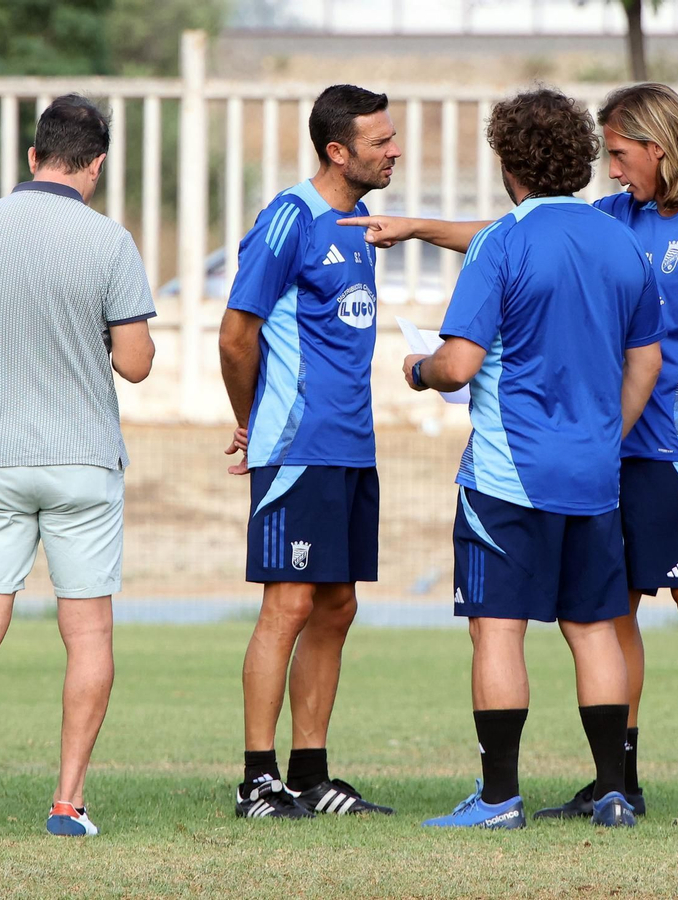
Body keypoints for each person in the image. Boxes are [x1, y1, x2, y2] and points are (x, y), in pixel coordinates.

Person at [341, 82, 678, 826]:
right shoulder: (613, 224)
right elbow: (517, 232)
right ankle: (617, 785)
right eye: (603, 154)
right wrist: (415, 227)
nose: (613, 169)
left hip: (673, 451)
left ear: (659, 146)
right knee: (607, 618)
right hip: (605, 459)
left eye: (622, 154)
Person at [402, 87, 663, 830]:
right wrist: (607, 435)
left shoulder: (502, 242)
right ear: (582, 157)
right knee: (595, 627)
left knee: (498, 626)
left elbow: (459, 365)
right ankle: (614, 792)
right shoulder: (620, 243)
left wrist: (419, 369)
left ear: (507, 160)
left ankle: (497, 799)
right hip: (593, 474)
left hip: (509, 476)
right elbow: (645, 361)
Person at [0, 93, 156, 839]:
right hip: (82, 458)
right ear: (95, 165)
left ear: (33, 157)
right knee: (87, 632)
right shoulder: (109, 242)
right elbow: (137, 363)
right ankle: (67, 803)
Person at [218, 84, 400, 820]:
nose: (394, 151)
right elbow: (237, 334)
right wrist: (247, 417)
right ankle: (258, 779)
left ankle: (312, 772)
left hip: (353, 446)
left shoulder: (363, 223)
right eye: (379, 142)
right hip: (296, 446)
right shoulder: (288, 219)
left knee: (338, 604)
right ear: (337, 150)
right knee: (287, 604)